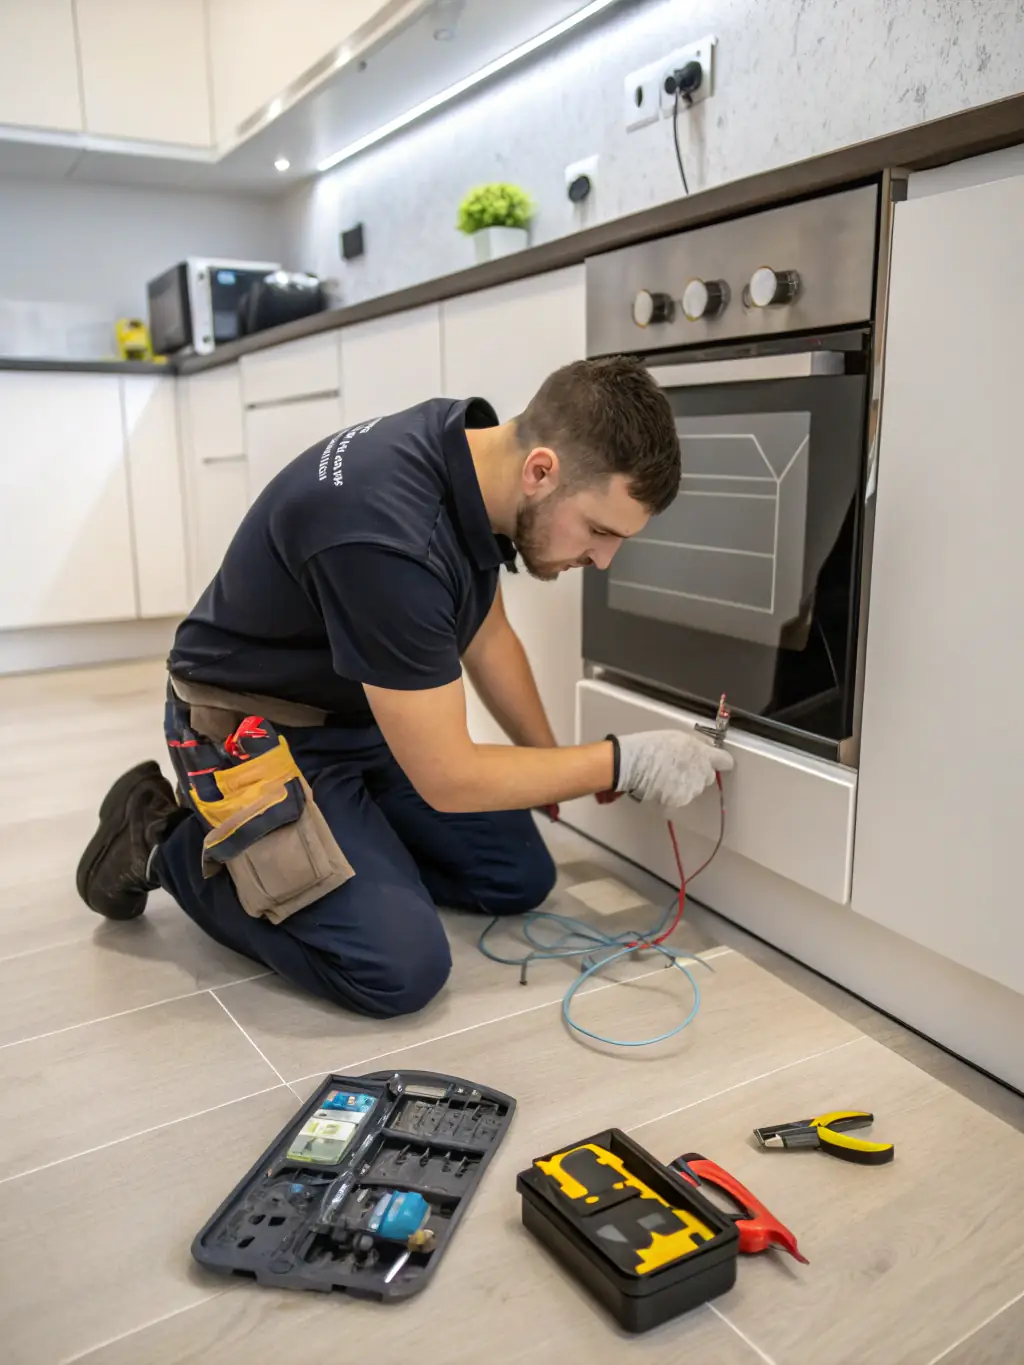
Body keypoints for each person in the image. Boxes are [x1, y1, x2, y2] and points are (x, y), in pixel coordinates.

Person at [76, 356, 732, 1018]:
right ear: (542, 471)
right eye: (600, 530)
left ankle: (351, 845)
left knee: (518, 876)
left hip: (361, 712)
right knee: (397, 966)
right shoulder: (389, 535)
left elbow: (487, 634)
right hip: (249, 728)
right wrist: (624, 759)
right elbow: (447, 776)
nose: (603, 558)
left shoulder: (469, 454)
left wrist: (563, 762)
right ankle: (163, 838)